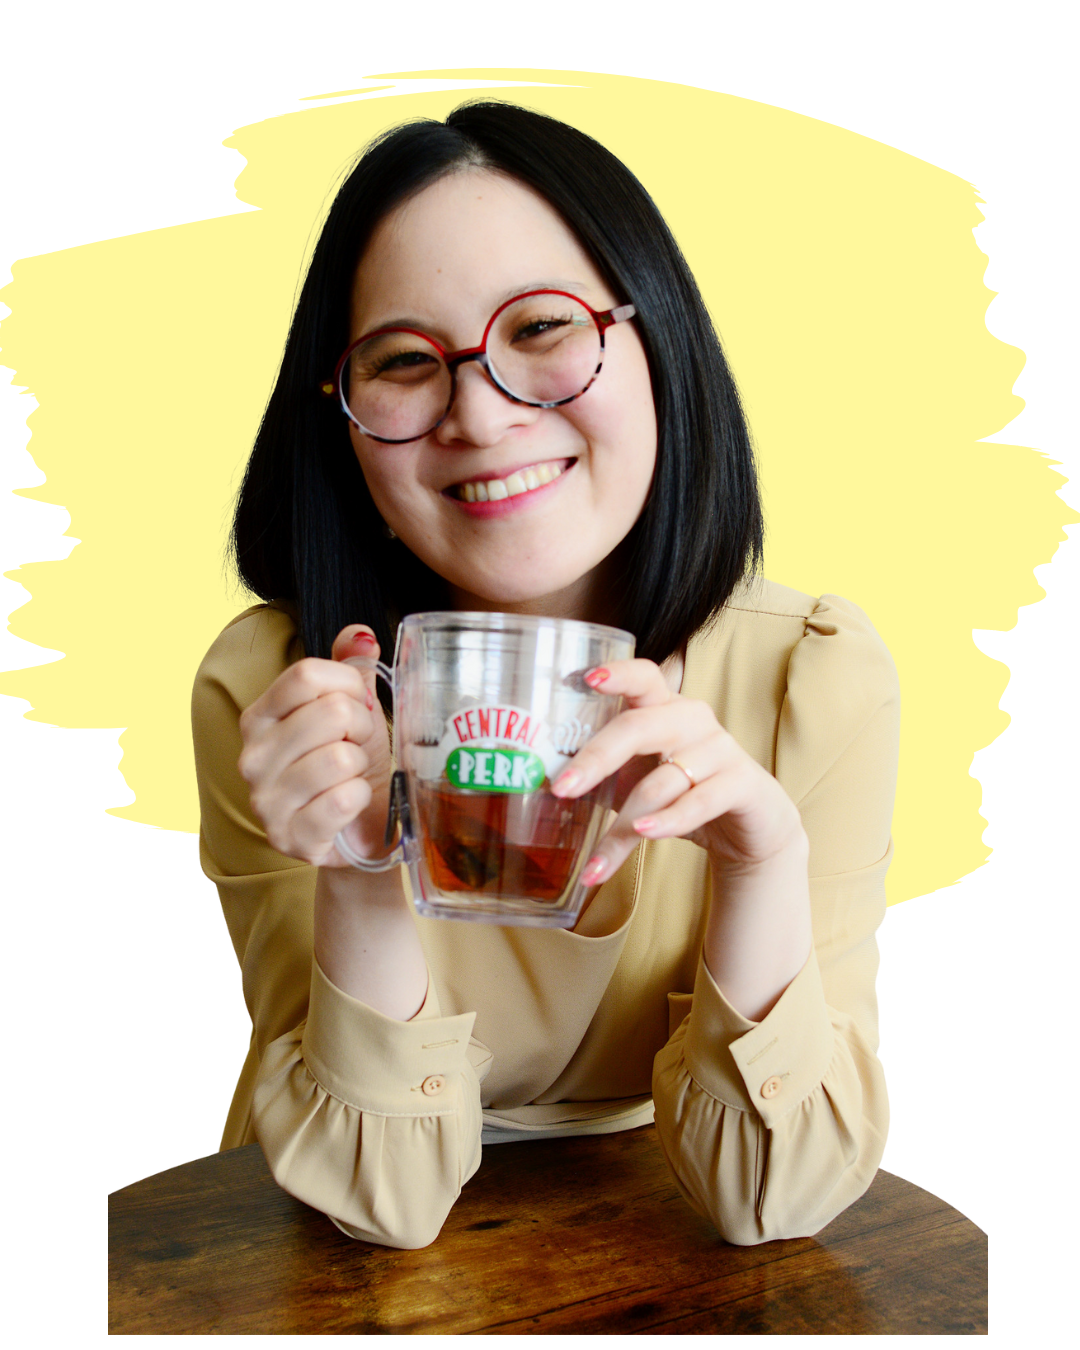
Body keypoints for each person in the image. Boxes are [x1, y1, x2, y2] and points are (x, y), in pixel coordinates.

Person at [192, 102, 899, 1250]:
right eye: (405, 361)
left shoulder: (810, 682)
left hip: (656, 1248)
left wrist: (760, 863)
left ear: (658, 339)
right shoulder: (291, 698)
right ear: (342, 418)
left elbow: (777, 1199)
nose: (479, 414)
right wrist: (362, 870)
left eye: (540, 327)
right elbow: (375, 1203)